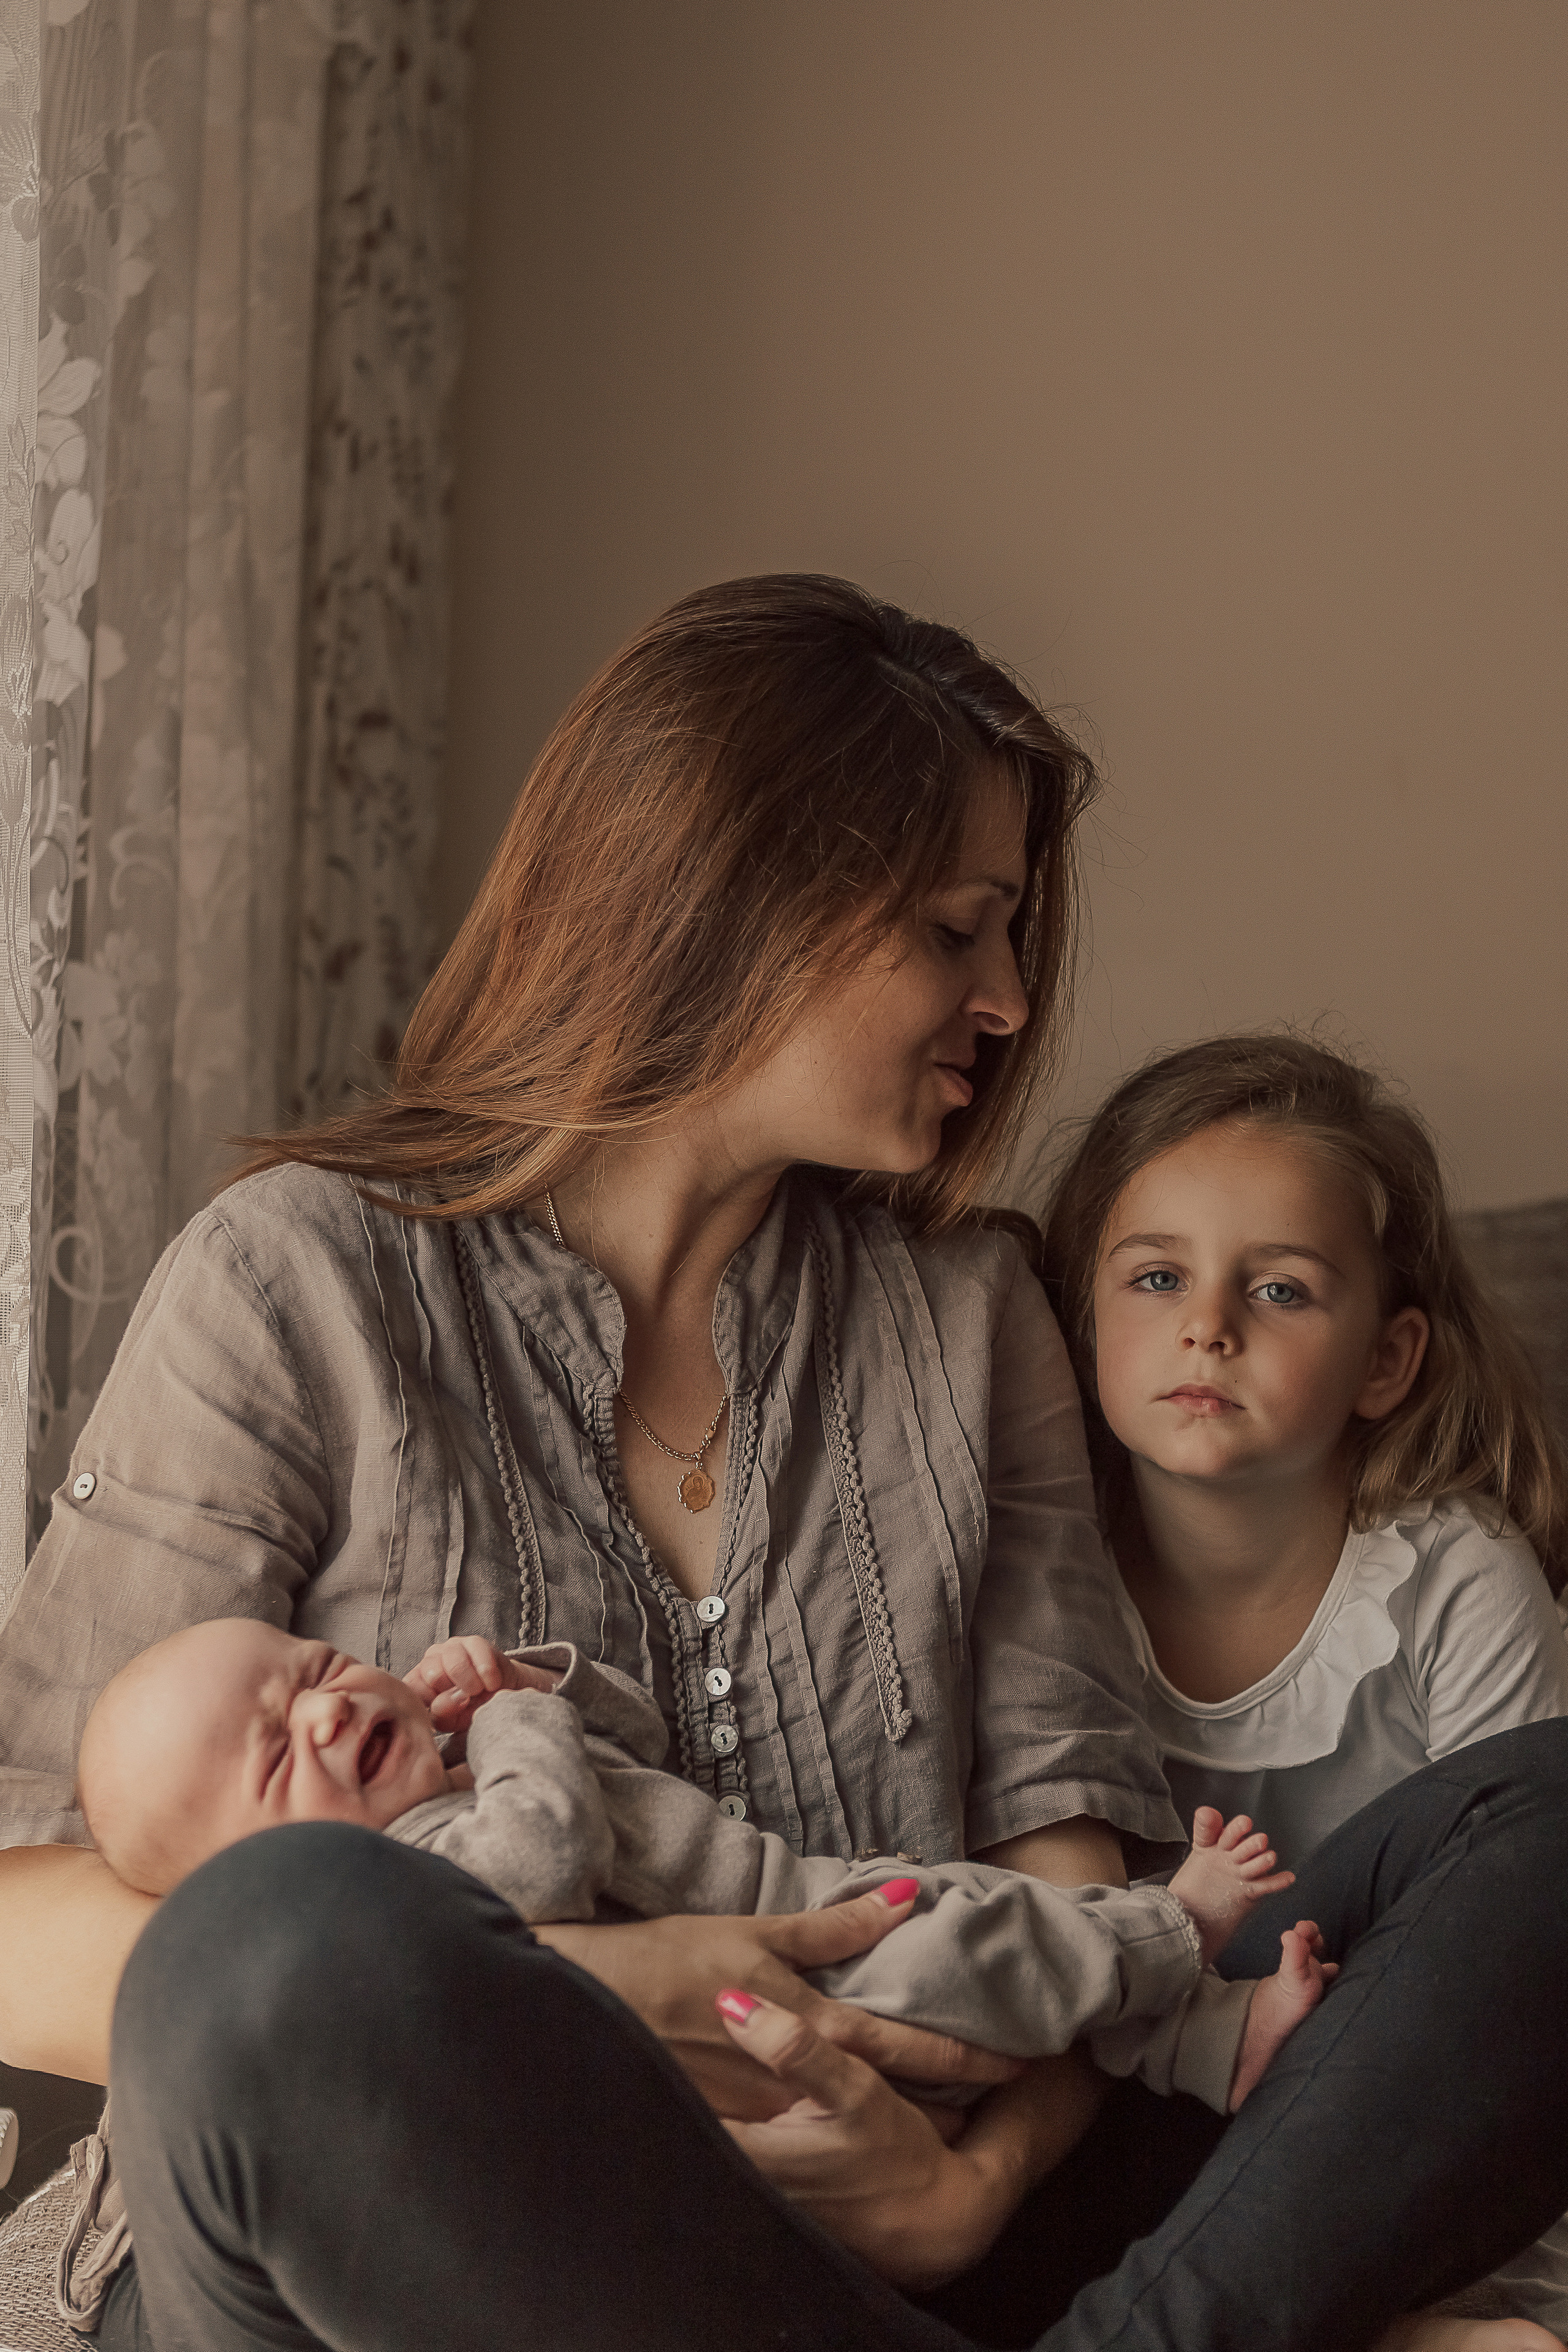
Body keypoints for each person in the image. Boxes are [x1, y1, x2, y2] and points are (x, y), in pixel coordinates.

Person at [0, 577, 1564, 2350]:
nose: (1011, 997)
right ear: (748, 902)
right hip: (434, 2234)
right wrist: (596, 1990)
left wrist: (968, 2190)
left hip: (906, 2252)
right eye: (961, 930)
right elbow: (20, 1909)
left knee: (1541, 1814)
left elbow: (1070, 1897)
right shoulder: (295, 1281)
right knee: (273, 1941)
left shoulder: (977, 1317)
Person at [1033, 1031, 1568, 2336]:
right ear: (1077, 1321)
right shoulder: (1036, 1588)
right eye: (1154, 1277)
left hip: (1392, 2127)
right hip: (1138, 2144)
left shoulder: (1451, 1579)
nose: (1205, 1323)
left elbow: (1529, 1966)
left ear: (1385, 1360)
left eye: (1277, 1291)